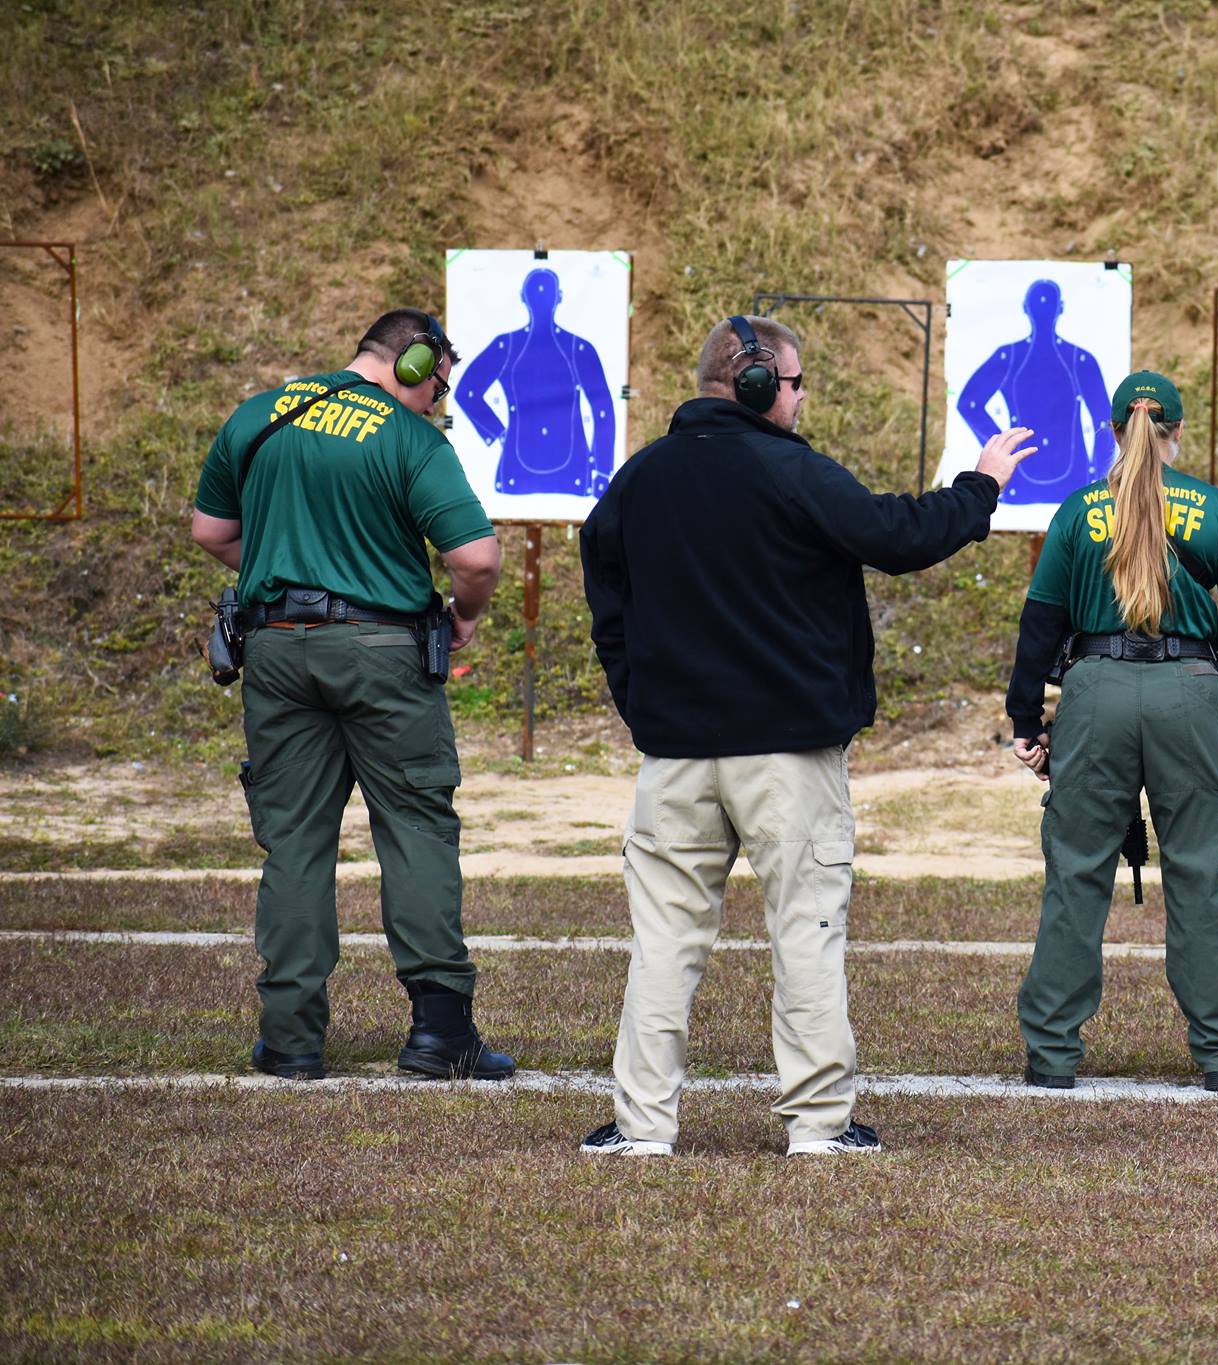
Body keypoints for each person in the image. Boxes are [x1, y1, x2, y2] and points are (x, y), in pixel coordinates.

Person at [576, 314, 1037, 1158]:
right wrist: (981, 485)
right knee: (808, 930)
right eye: (794, 383)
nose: (799, 398)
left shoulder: (638, 480)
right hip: (788, 758)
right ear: (757, 386)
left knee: (664, 942)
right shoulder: (792, 471)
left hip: (675, 758)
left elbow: (606, 596)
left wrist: (640, 702)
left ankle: (643, 1127)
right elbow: (897, 536)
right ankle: (818, 1126)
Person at [190, 308, 513, 1082]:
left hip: (272, 649)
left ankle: (291, 1038)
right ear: (414, 365)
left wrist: (279, 560)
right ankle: (440, 1032)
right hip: (382, 653)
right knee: (415, 827)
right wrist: (464, 616)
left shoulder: (260, 416)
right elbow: (475, 556)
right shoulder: (407, 438)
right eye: (438, 384)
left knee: (295, 839)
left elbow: (211, 531)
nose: (437, 400)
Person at [1005, 369, 1218, 1092]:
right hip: (1189, 691)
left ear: (1113, 431)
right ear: (1176, 432)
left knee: (1077, 870)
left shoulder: (1077, 510)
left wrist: (1027, 720)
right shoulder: (1214, 510)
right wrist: (1201, 640)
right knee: (1199, 872)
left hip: (1095, 690)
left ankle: (1052, 1055)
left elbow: (1040, 625)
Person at [453, 265, 618, 498]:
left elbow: (467, 393)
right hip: (572, 474)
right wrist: (602, 471)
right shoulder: (577, 348)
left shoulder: (508, 346)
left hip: (519, 472)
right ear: (559, 298)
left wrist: (498, 433)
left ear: (523, 297)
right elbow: (602, 410)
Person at [957, 278, 1116, 505]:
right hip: (1067, 483)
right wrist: (1097, 475)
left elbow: (1105, 419)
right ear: (1060, 308)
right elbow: (1105, 420)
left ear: (1024, 307)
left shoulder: (1013, 357)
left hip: (1026, 480)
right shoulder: (1077, 359)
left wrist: (1002, 447)